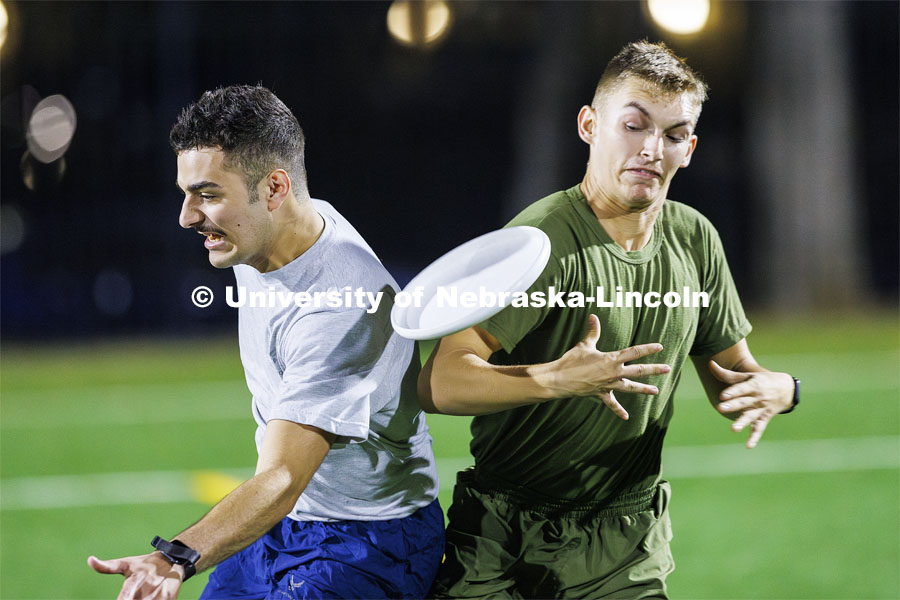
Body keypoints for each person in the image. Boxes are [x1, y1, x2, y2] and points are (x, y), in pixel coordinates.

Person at [419, 41, 799, 599]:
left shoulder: (695, 240)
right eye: (634, 125)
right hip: (502, 534)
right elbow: (440, 381)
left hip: (626, 540)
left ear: (689, 149)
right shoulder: (544, 241)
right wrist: (554, 380)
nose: (651, 148)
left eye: (672, 135)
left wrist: (781, 389)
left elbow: (732, 378)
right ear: (590, 125)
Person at [87, 85, 444, 600]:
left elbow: (280, 476)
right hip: (288, 522)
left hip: (368, 538)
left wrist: (176, 557)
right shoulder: (271, 231)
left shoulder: (341, 304)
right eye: (186, 194)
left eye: (208, 195)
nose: (187, 216)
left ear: (275, 188)